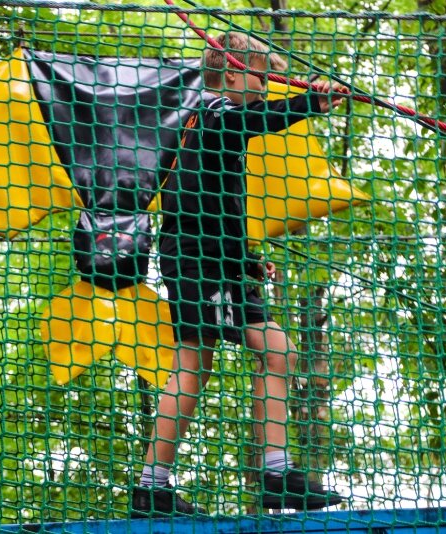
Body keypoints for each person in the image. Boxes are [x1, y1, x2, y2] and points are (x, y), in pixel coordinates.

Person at [130, 32, 349, 517]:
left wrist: (245, 260)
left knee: (264, 352)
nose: (266, 86)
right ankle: (158, 486)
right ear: (231, 74)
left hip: (212, 257)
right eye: (262, 77)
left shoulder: (202, 121)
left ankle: (266, 474)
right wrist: (310, 102)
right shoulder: (214, 111)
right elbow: (252, 122)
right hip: (200, 259)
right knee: (207, 360)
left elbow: (208, 202)